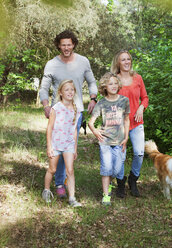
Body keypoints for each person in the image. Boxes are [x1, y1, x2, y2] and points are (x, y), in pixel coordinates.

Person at [39, 30, 98, 198]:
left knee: (69, 145)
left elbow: (92, 81)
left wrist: (93, 98)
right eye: (63, 45)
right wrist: (45, 105)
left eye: (69, 44)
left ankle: (63, 181)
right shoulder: (51, 64)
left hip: (76, 112)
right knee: (58, 145)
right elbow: (44, 88)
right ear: (59, 45)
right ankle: (59, 182)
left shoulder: (83, 61)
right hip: (57, 112)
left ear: (73, 45)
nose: (66, 48)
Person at [111, 50, 149, 197]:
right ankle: (121, 182)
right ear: (118, 63)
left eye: (128, 59)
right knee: (120, 156)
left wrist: (141, 107)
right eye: (123, 60)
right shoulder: (115, 79)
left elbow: (145, 97)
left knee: (139, 153)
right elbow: (108, 98)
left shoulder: (138, 78)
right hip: (119, 125)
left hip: (137, 122)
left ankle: (133, 179)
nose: (126, 62)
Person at [88, 72, 130, 205]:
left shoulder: (124, 101)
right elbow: (90, 122)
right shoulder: (101, 103)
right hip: (105, 141)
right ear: (104, 86)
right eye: (110, 83)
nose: (113, 86)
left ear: (119, 85)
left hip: (119, 141)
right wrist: (95, 131)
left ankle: (111, 183)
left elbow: (127, 120)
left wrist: (126, 137)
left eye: (115, 83)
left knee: (117, 170)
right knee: (106, 168)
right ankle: (106, 195)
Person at [42, 80, 82, 207]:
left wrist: (75, 148)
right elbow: (49, 128)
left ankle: (72, 198)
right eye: (66, 90)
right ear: (60, 92)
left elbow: (75, 130)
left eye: (72, 89)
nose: (70, 92)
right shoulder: (56, 108)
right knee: (52, 169)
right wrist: (49, 146)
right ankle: (46, 190)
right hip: (56, 144)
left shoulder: (76, 109)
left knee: (70, 170)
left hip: (68, 145)